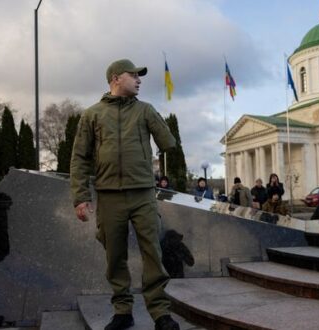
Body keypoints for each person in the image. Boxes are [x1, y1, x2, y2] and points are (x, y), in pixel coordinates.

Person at [70, 59, 180, 330]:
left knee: (152, 253)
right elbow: (80, 158)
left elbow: (168, 143)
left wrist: (155, 117)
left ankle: (160, 313)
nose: (139, 80)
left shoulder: (144, 110)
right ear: (116, 78)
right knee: (115, 256)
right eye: (134, 76)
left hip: (143, 193)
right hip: (109, 197)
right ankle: (123, 311)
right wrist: (81, 196)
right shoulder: (92, 114)